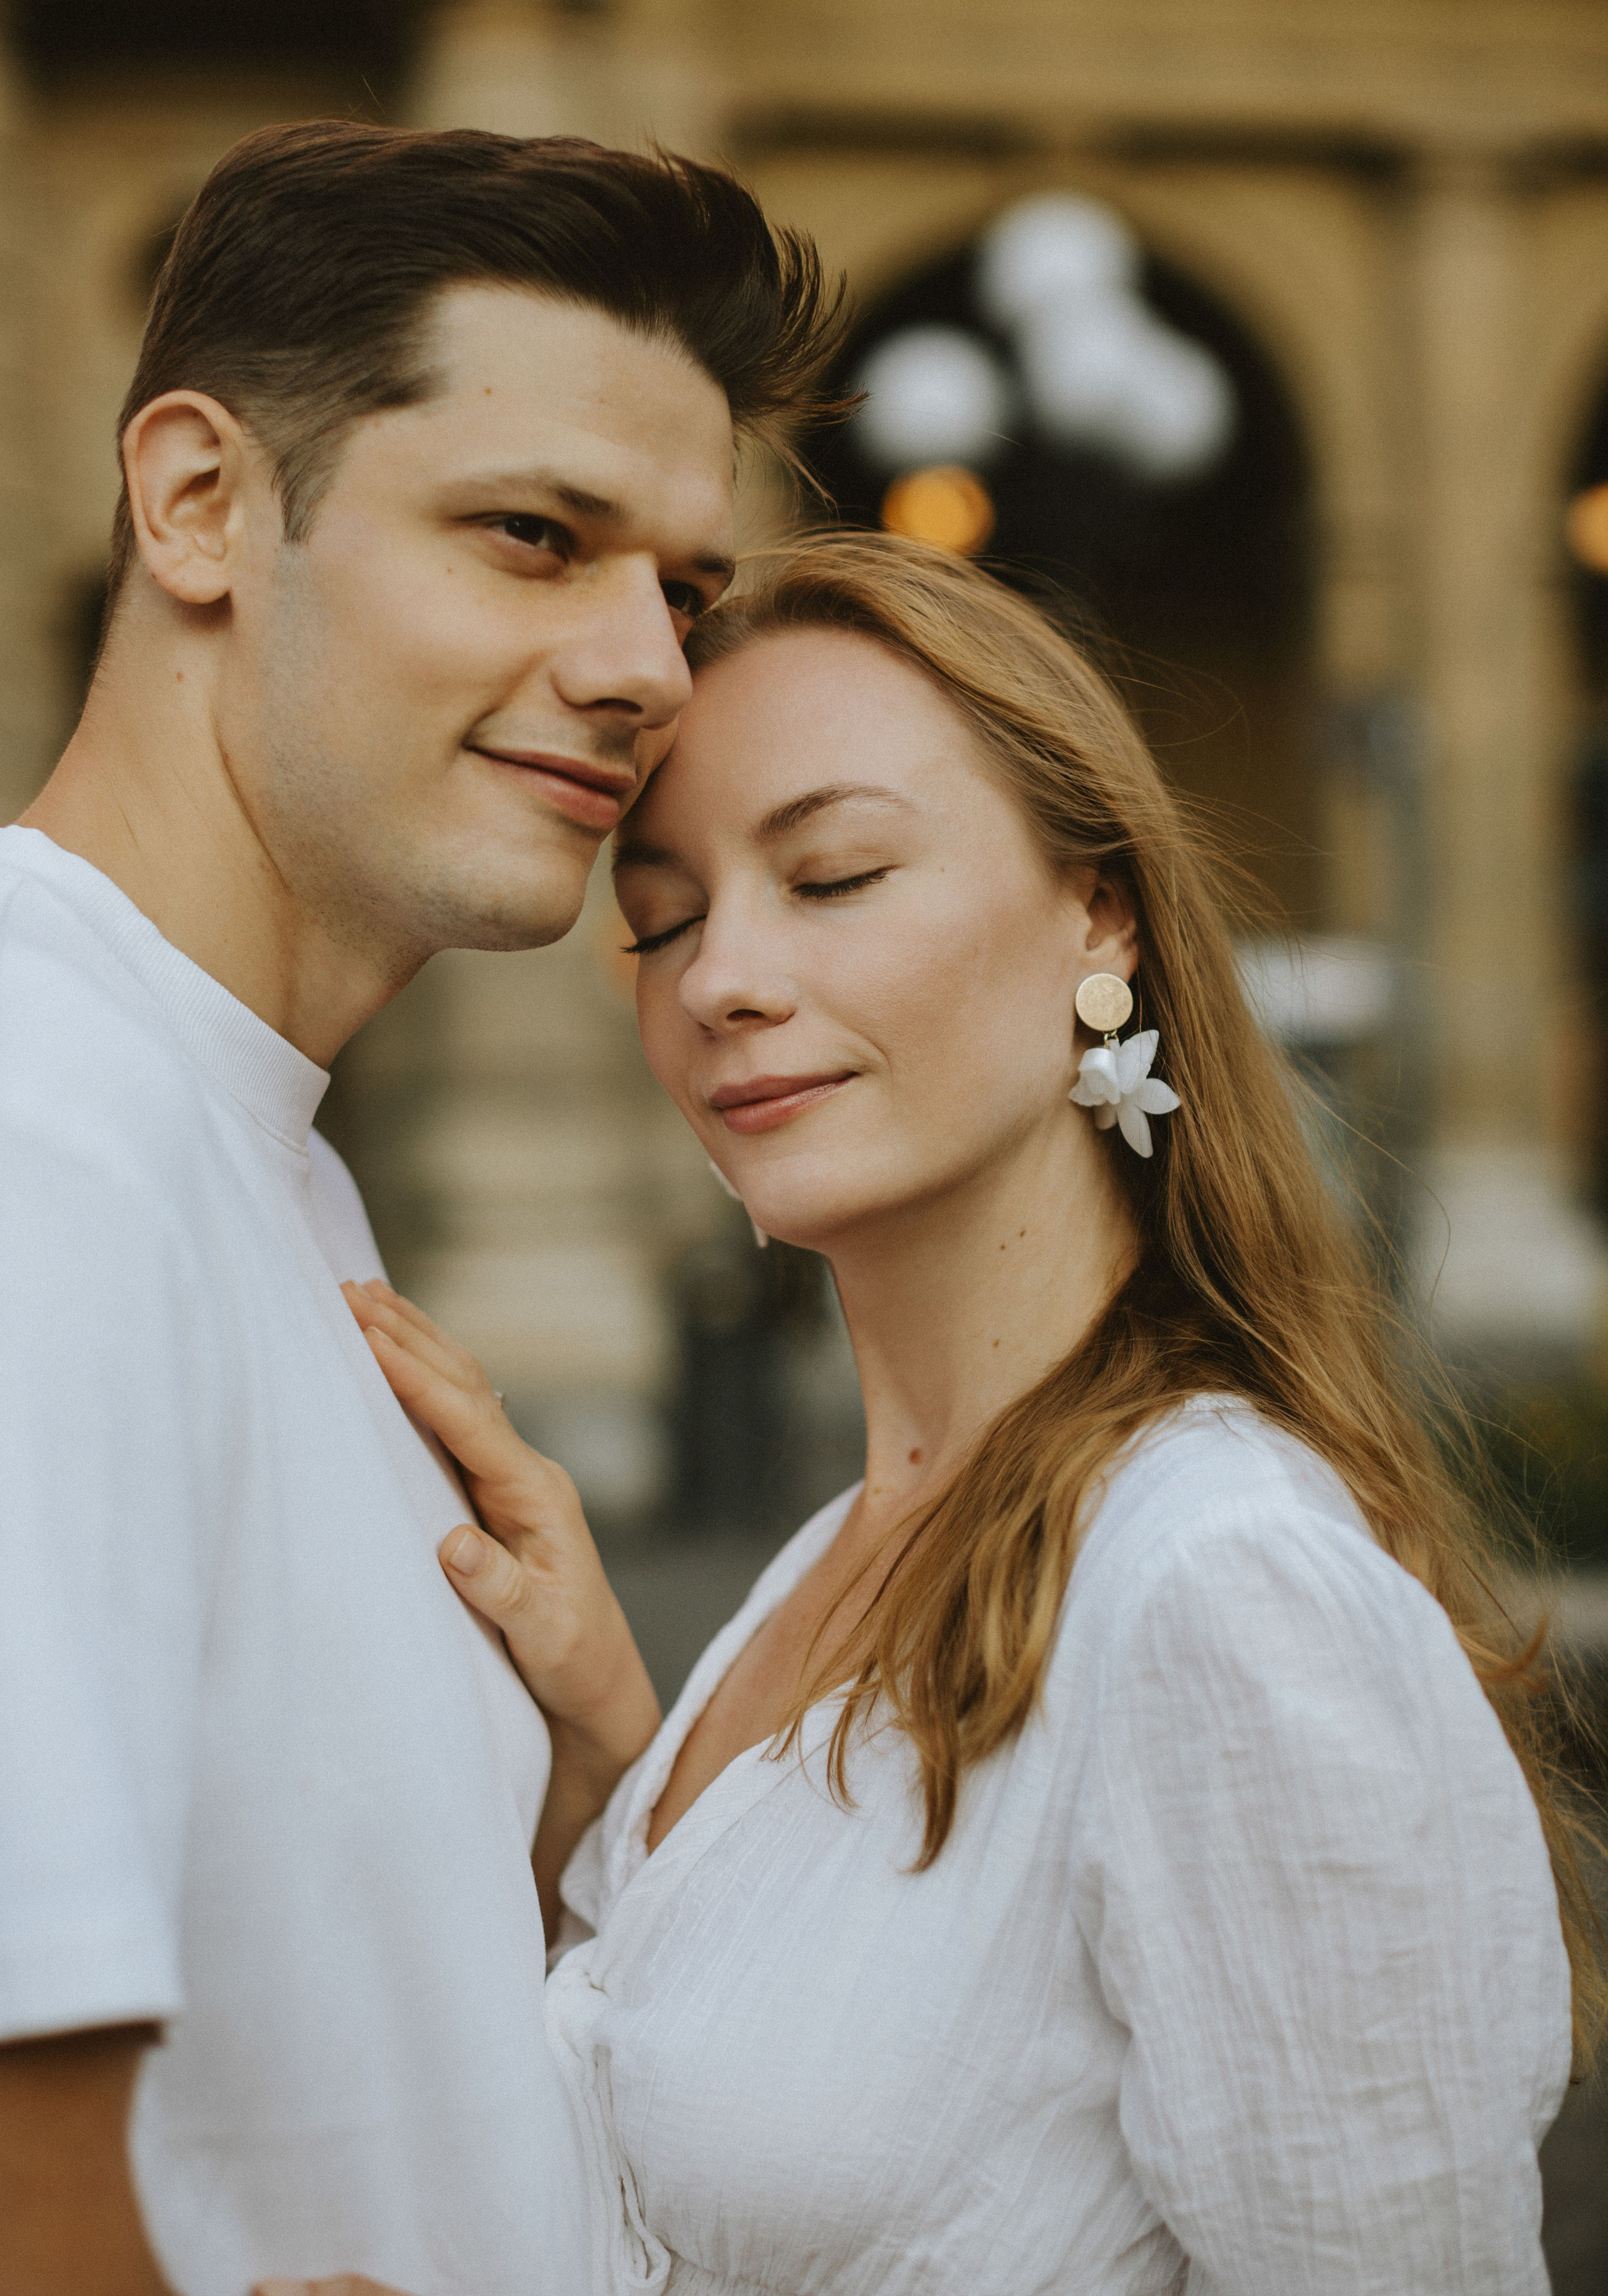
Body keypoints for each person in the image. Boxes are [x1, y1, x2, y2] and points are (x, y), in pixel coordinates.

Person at [328, 530, 1600, 2296]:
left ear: (1102, 911)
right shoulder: (821, 1558)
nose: (721, 980)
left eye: (835, 873)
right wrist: (622, 1766)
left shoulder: (1225, 1591)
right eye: (664, 917)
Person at [0, 119, 843, 2296]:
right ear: (199, 503)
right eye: (536, 536)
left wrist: (568, 1783)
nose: (654, 664)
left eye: (686, 586)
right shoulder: (42, 1120)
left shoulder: (240, 1139)